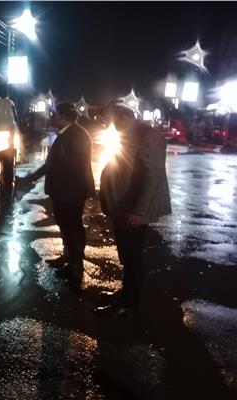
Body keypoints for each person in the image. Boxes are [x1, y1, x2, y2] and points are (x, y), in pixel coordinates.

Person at [95, 103, 171, 317]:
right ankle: (126, 292)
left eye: (109, 121)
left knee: (132, 256)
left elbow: (152, 176)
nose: (108, 125)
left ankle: (129, 302)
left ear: (122, 116)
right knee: (126, 255)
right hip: (124, 204)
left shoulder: (148, 135)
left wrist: (138, 211)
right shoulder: (129, 133)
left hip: (133, 209)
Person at [20, 102, 96, 280]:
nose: (52, 117)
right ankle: (68, 257)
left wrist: (70, 192)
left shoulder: (77, 134)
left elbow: (78, 168)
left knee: (72, 226)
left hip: (70, 192)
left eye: (54, 114)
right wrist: (30, 178)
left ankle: (75, 265)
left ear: (63, 117)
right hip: (63, 191)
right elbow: (51, 164)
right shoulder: (66, 134)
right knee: (65, 225)